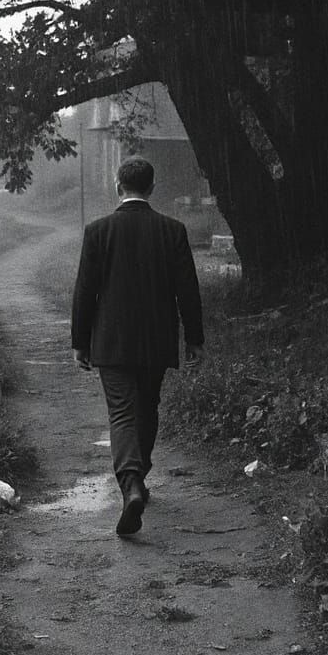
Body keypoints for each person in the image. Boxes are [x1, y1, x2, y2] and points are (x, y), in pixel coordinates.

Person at [71, 156, 204, 537]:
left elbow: (85, 291)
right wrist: (194, 339)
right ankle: (139, 477)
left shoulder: (98, 231)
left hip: (111, 342)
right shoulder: (171, 230)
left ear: (118, 186)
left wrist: (80, 342)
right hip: (156, 339)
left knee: (123, 413)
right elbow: (187, 291)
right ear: (152, 188)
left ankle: (131, 485)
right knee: (147, 407)